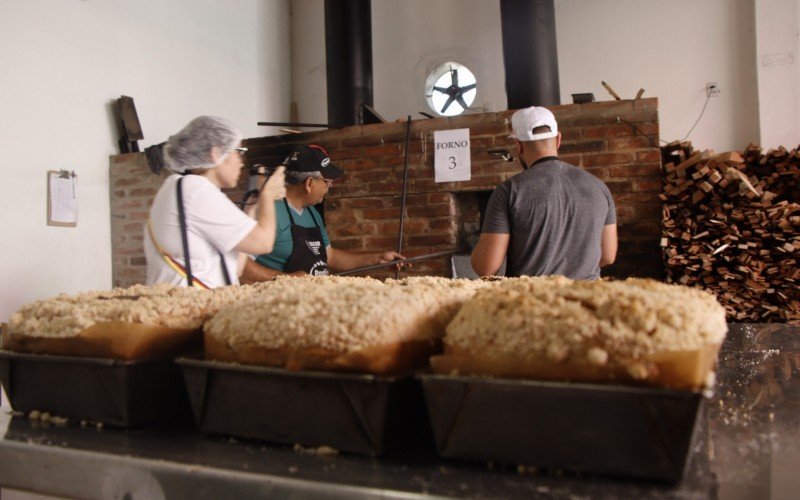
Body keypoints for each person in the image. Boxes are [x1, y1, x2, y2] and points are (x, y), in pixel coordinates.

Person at [471, 106, 618, 280]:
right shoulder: (599, 187)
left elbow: (486, 267)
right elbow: (608, 256)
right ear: (558, 139)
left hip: (534, 302)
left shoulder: (509, 191)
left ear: (518, 145)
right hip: (587, 300)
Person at [144, 115, 286, 288]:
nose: (241, 163)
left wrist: (252, 208)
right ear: (216, 153)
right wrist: (267, 197)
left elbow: (237, 269)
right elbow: (263, 243)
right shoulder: (196, 191)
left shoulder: (183, 187)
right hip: (191, 308)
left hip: (194, 304)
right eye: (238, 152)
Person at [240, 144, 405, 281]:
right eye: (327, 182)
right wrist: (286, 279)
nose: (329, 188)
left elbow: (330, 257)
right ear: (309, 183)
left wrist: (378, 259)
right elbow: (241, 264)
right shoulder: (268, 209)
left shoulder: (312, 213)